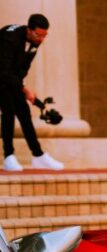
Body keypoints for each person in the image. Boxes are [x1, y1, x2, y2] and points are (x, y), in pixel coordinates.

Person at [0, 13, 63, 171]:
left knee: (24, 112)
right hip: (1, 74)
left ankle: (38, 155)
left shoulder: (35, 40)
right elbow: (3, 71)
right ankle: (8, 156)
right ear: (29, 29)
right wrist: (24, 89)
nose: (41, 39)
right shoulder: (10, 38)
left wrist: (24, 90)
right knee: (8, 111)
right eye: (38, 35)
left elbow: (21, 69)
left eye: (44, 36)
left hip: (9, 77)